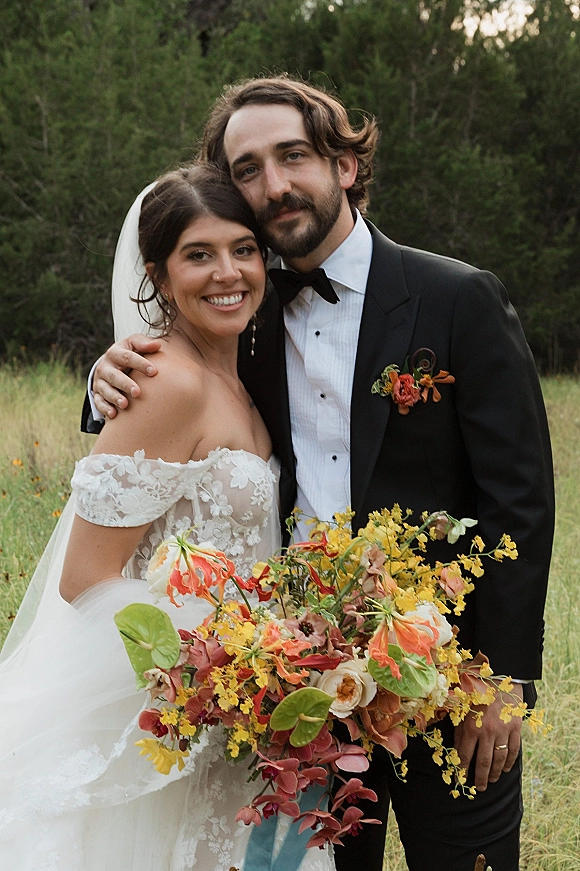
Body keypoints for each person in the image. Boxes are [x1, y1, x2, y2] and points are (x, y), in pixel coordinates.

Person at [86, 76, 554, 871]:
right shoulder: (241, 299)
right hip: (296, 691)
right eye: (247, 168)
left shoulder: (457, 298)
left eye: (293, 155)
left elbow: (522, 501)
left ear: (343, 164)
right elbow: (164, 386)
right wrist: (104, 377)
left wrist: (503, 677)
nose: (274, 184)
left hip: (446, 675)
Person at [0, 163, 335, 871]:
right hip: (187, 707)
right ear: (156, 272)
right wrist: (216, 674)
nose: (228, 272)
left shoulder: (239, 371)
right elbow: (86, 576)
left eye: (243, 249)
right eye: (198, 254)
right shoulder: (167, 381)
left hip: (251, 708)